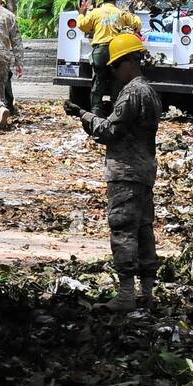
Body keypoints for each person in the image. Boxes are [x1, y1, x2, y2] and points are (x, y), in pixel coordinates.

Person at [63, 32, 162, 311]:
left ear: (130, 62)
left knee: (123, 230)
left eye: (116, 65)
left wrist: (83, 115)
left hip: (126, 173)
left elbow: (108, 131)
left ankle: (127, 295)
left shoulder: (131, 92)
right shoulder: (149, 92)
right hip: (144, 172)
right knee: (143, 230)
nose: (114, 72)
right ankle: (147, 293)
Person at [76, 0, 142, 116]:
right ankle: (115, 111)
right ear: (114, 0)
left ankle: (96, 111)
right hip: (116, 51)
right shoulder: (120, 13)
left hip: (100, 52)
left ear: (102, 0)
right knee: (117, 80)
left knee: (98, 81)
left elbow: (83, 26)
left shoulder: (95, 13)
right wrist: (133, 15)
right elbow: (137, 25)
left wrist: (81, 14)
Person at [0, 0, 24, 122]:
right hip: (4, 56)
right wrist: (19, 63)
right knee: (0, 85)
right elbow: (17, 41)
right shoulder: (10, 15)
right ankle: (3, 108)